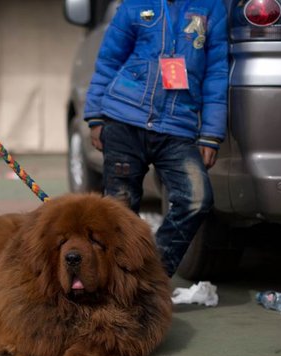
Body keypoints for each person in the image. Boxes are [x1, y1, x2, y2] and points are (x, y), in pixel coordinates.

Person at [83, 0, 228, 277]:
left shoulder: (212, 8)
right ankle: (114, 285)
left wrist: (211, 134)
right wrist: (95, 116)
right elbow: (109, 60)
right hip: (124, 120)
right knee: (118, 211)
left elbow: (217, 74)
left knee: (197, 199)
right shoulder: (134, 5)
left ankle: (151, 276)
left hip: (178, 127)